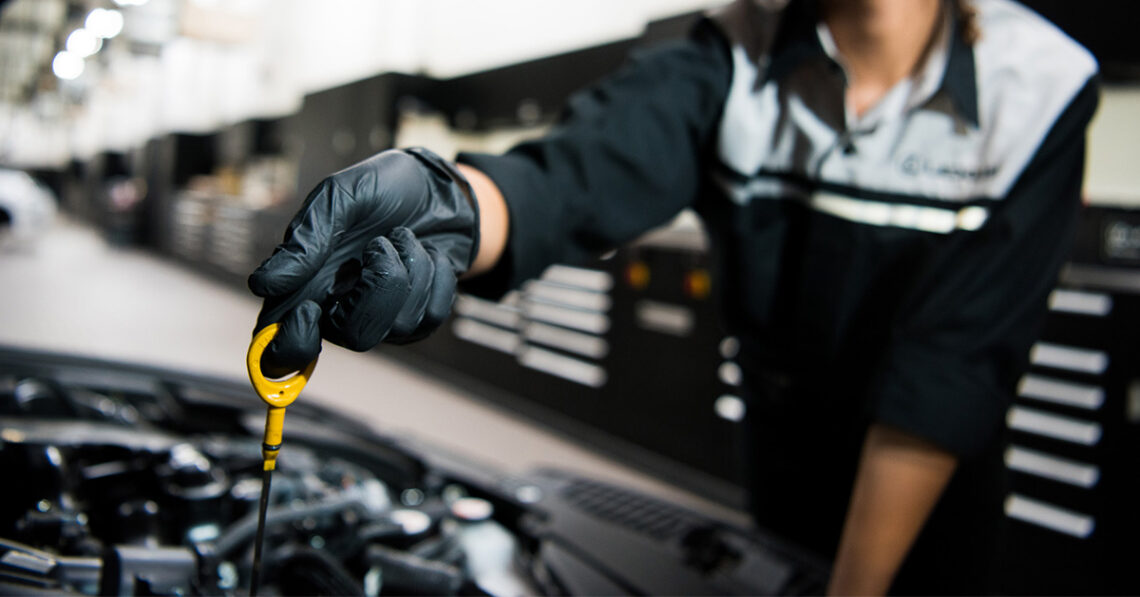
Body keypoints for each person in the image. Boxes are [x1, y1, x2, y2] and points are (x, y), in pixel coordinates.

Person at [247, 0, 1099, 593]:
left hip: (932, 490)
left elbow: (946, 369)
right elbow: (575, 177)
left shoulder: (1041, 84)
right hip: (784, 460)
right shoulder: (731, 55)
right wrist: (450, 205)